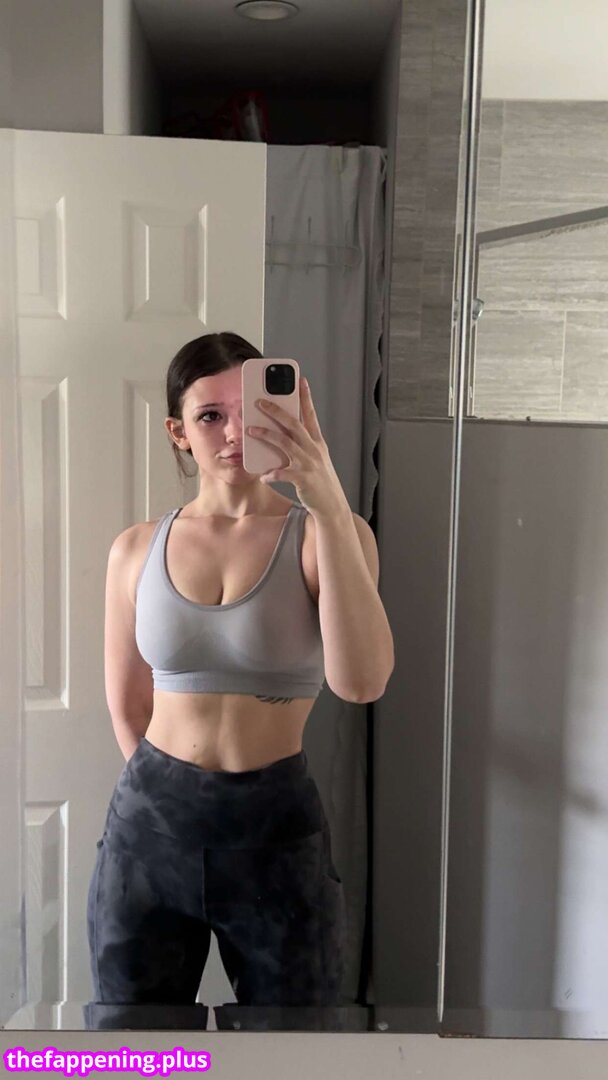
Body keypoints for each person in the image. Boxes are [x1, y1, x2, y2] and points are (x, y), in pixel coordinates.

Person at [86, 331, 393, 1008]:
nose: (232, 434)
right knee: (135, 1043)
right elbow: (129, 705)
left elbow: (362, 682)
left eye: (249, 412)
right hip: (149, 830)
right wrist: (170, 809)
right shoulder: (135, 549)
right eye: (209, 416)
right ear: (178, 432)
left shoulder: (327, 536)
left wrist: (325, 496)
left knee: (291, 1045)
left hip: (275, 826)